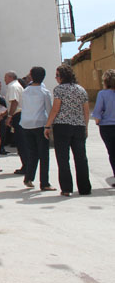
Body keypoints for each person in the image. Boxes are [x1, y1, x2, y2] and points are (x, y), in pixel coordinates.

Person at [45, 65, 91, 196]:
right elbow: (86, 111)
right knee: (81, 158)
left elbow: (55, 109)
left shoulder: (59, 89)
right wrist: (85, 126)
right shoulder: (81, 89)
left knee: (63, 158)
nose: (56, 78)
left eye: (57, 75)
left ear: (62, 77)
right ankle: (84, 188)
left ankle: (66, 188)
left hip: (62, 126)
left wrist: (47, 126)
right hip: (79, 126)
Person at [20, 67, 55, 191]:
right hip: (40, 124)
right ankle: (44, 182)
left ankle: (28, 177)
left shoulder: (25, 91)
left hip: (26, 124)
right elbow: (49, 110)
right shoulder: (44, 92)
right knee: (44, 154)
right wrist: (50, 126)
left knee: (32, 153)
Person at [93, 69, 115, 185]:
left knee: (112, 152)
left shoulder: (102, 94)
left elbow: (97, 112)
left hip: (107, 127)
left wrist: (98, 122)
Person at [4, 71, 26, 174]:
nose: (4, 80)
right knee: (21, 141)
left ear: (10, 77)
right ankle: (26, 165)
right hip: (19, 115)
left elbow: (14, 102)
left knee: (21, 142)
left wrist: (9, 116)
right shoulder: (17, 85)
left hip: (18, 115)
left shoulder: (13, 86)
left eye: (5, 77)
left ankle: (26, 166)